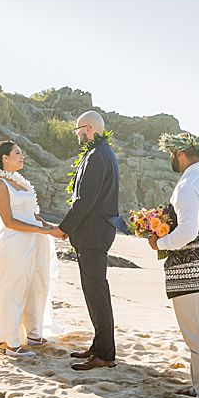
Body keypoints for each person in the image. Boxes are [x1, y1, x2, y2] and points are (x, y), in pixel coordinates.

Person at [0, 140, 61, 357]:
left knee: (37, 285)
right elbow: (9, 221)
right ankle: (12, 343)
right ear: (5, 158)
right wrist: (41, 231)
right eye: (17, 153)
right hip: (15, 243)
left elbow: (33, 215)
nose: (21, 156)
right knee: (14, 289)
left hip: (35, 241)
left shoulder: (22, 183)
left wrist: (51, 228)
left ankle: (34, 334)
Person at [149, 131, 199, 398]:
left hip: (194, 271)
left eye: (171, 153)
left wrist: (160, 242)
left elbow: (188, 233)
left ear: (180, 154)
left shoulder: (187, 186)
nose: (170, 158)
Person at [51, 110, 120, 371]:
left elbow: (85, 200)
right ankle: (99, 345)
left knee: (97, 292)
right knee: (93, 291)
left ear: (89, 129)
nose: (77, 135)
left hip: (93, 234)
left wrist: (64, 228)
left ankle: (105, 354)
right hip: (96, 232)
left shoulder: (97, 156)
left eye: (78, 129)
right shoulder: (104, 154)